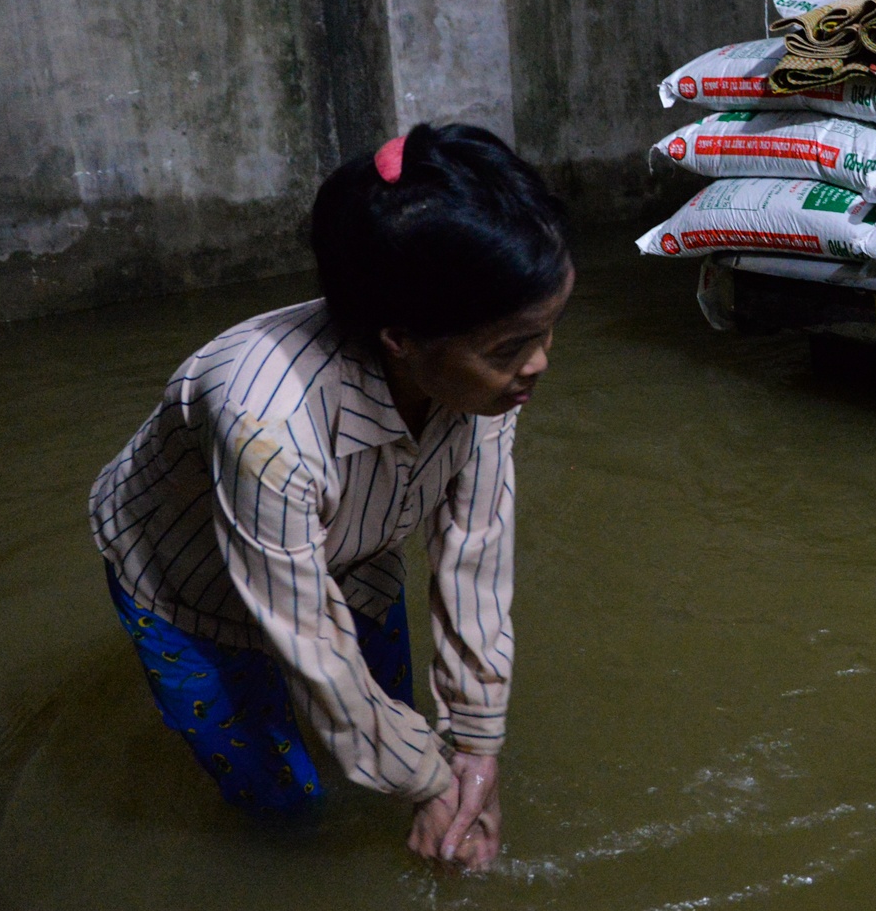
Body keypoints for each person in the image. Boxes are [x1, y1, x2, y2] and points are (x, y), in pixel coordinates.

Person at [89, 124, 573, 869]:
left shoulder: (481, 387)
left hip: (355, 551)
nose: (539, 364)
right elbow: (307, 637)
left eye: (546, 331)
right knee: (286, 802)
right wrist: (427, 782)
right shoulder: (267, 423)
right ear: (400, 339)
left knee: (389, 726)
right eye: (511, 347)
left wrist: (475, 750)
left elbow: (474, 556)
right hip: (188, 583)